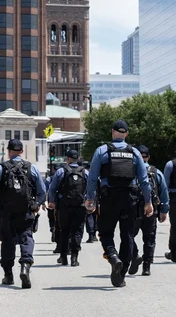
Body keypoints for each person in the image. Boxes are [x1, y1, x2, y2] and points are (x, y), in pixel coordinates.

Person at [85, 120, 153, 288]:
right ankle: (121, 275)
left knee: (105, 233)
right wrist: (148, 202)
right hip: (130, 199)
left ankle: (113, 256)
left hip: (109, 198)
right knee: (127, 236)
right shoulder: (135, 153)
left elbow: (92, 178)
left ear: (112, 132)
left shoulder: (102, 151)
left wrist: (90, 199)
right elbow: (144, 181)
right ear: (126, 134)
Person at [0, 139, 46, 289]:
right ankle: (25, 266)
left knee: (7, 241)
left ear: (9, 151)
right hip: (26, 211)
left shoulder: (1, 169)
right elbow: (42, 191)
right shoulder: (31, 168)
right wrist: (36, 204)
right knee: (27, 238)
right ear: (22, 151)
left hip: (6, 212)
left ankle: (8, 275)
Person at [129, 145, 169, 276]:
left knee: (128, 235)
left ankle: (135, 255)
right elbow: (163, 192)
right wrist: (164, 210)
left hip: (134, 210)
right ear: (148, 157)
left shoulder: (130, 170)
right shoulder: (156, 172)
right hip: (151, 210)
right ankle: (147, 267)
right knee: (150, 239)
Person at [48, 149, 88, 267]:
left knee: (64, 231)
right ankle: (74, 258)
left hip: (64, 205)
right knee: (77, 231)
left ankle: (64, 256)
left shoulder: (61, 171)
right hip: (80, 205)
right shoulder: (84, 172)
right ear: (78, 159)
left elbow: (52, 188)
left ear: (68, 159)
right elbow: (91, 187)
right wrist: (91, 201)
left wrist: (51, 201)